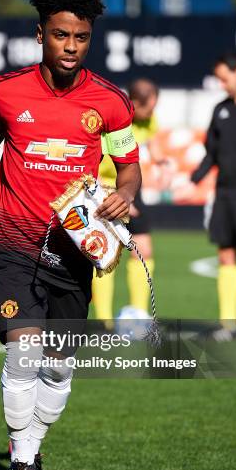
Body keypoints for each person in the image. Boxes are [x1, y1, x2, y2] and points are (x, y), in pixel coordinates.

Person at [0, 0, 141, 470]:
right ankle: (21, 463)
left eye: (81, 37)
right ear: (40, 36)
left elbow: (128, 167)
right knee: (23, 353)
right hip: (13, 242)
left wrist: (125, 196)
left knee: (57, 369)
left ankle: (30, 448)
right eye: (60, 35)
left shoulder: (111, 103)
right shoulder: (5, 90)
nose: (71, 46)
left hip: (73, 252)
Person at [190, 52, 236, 339]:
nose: (222, 84)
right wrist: (193, 179)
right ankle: (227, 325)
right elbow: (211, 154)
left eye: (224, 78)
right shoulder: (220, 109)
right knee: (226, 255)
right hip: (225, 194)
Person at [92, 79, 159, 324]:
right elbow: (95, 159)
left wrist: (161, 162)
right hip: (103, 187)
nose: (152, 113)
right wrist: (116, 197)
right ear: (135, 103)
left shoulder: (148, 119)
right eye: (150, 107)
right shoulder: (113, 118)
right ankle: (103, 321)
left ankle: (139, 316)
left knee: (144, 250)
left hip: (130, 188)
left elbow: (150, 142)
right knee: (104, 254)